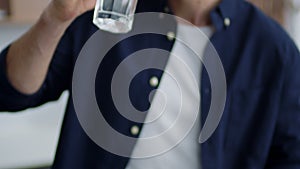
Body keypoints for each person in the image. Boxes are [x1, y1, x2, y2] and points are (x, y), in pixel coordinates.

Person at [1, 0, 300, 168]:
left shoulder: (273, 48)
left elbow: (290, 157)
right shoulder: (106, 15)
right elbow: (10, 93)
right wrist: (56, 18)